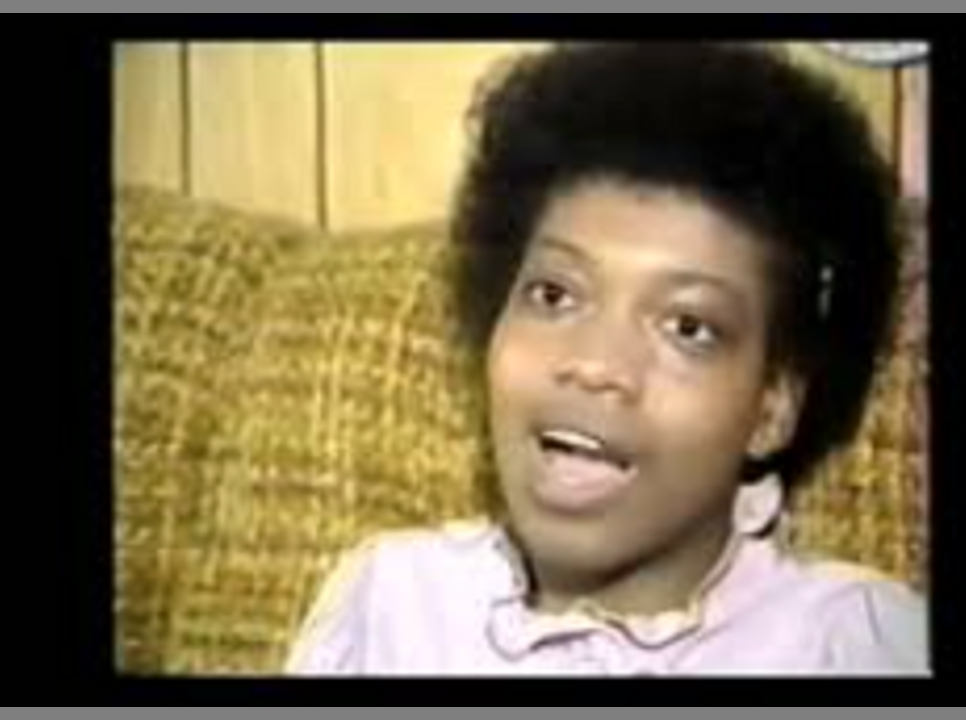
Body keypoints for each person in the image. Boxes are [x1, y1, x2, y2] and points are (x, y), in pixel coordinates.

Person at [285, 42, 928, 675]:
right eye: (555, 295)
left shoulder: (852, 643)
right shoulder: (388, 605)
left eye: (686, 327)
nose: (594, 364)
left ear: (772, 407)